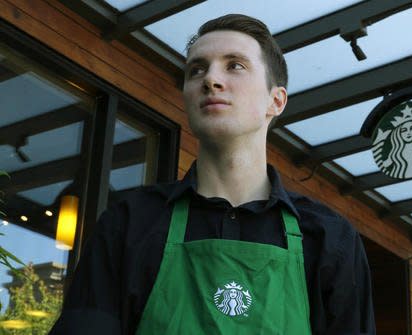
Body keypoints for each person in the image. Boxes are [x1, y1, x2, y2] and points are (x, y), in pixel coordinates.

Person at [50, 14, 375, 335]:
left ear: (275, 101)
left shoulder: (330, 239)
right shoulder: (129, 224)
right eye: (197, 70)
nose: (210, 79)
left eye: (234, 65)